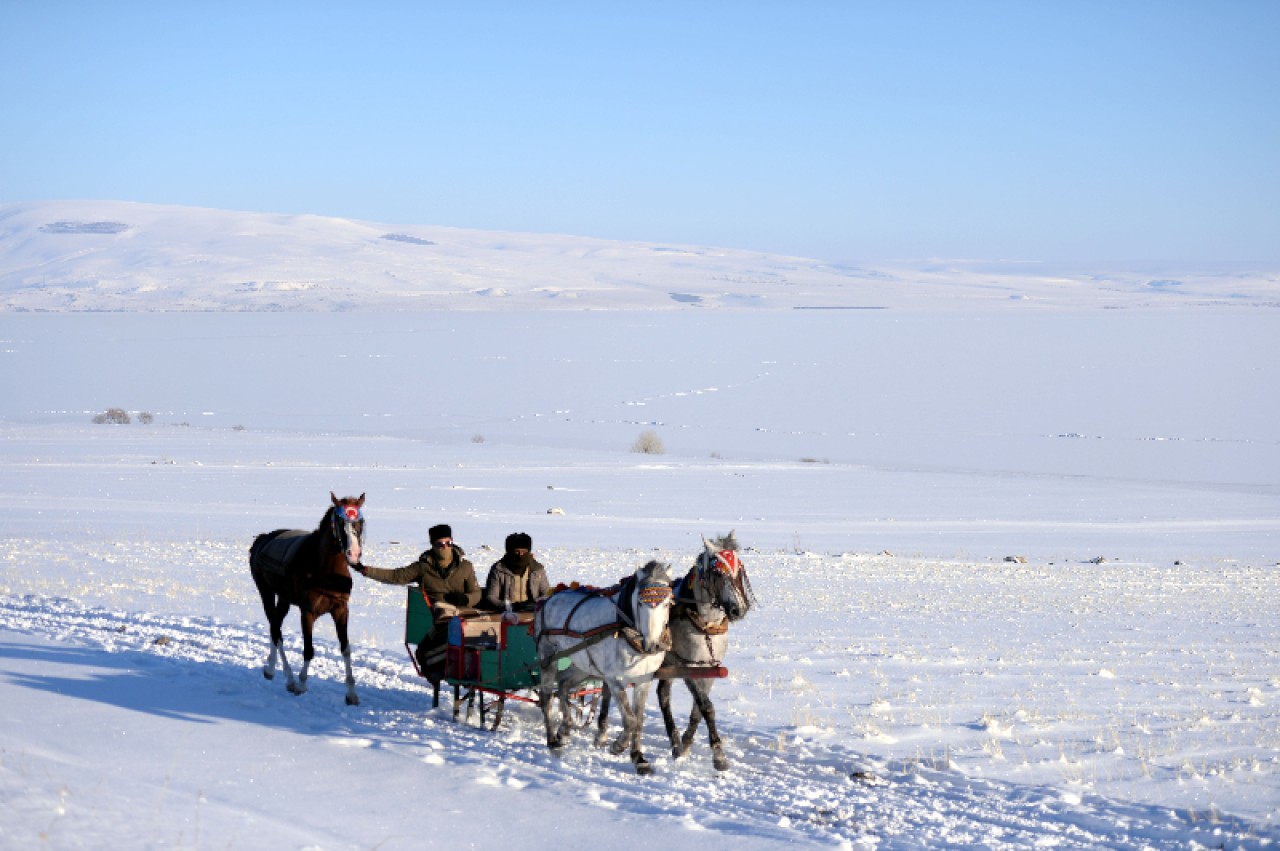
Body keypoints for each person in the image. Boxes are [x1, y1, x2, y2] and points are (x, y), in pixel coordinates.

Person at [352, 523, 480, 681]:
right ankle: (442, 668)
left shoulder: (465, 566)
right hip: (439, 616)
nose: (445, 547)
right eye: (440, 544)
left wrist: (466, 599)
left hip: (463, 613)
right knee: (432, 643)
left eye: (448, 543)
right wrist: (364, 570)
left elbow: (477, 593)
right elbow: (396, 576)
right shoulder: (422, 567)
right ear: (433, 545)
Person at [481, 532, 551, 613]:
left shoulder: (537, 569)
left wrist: (535, 604)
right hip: (506, 614)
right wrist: (508, 606)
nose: (520, 555)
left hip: (532, 613)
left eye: (524, 552)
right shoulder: (498, 569)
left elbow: (546, 594)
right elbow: (491, 597)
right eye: (516, 552)